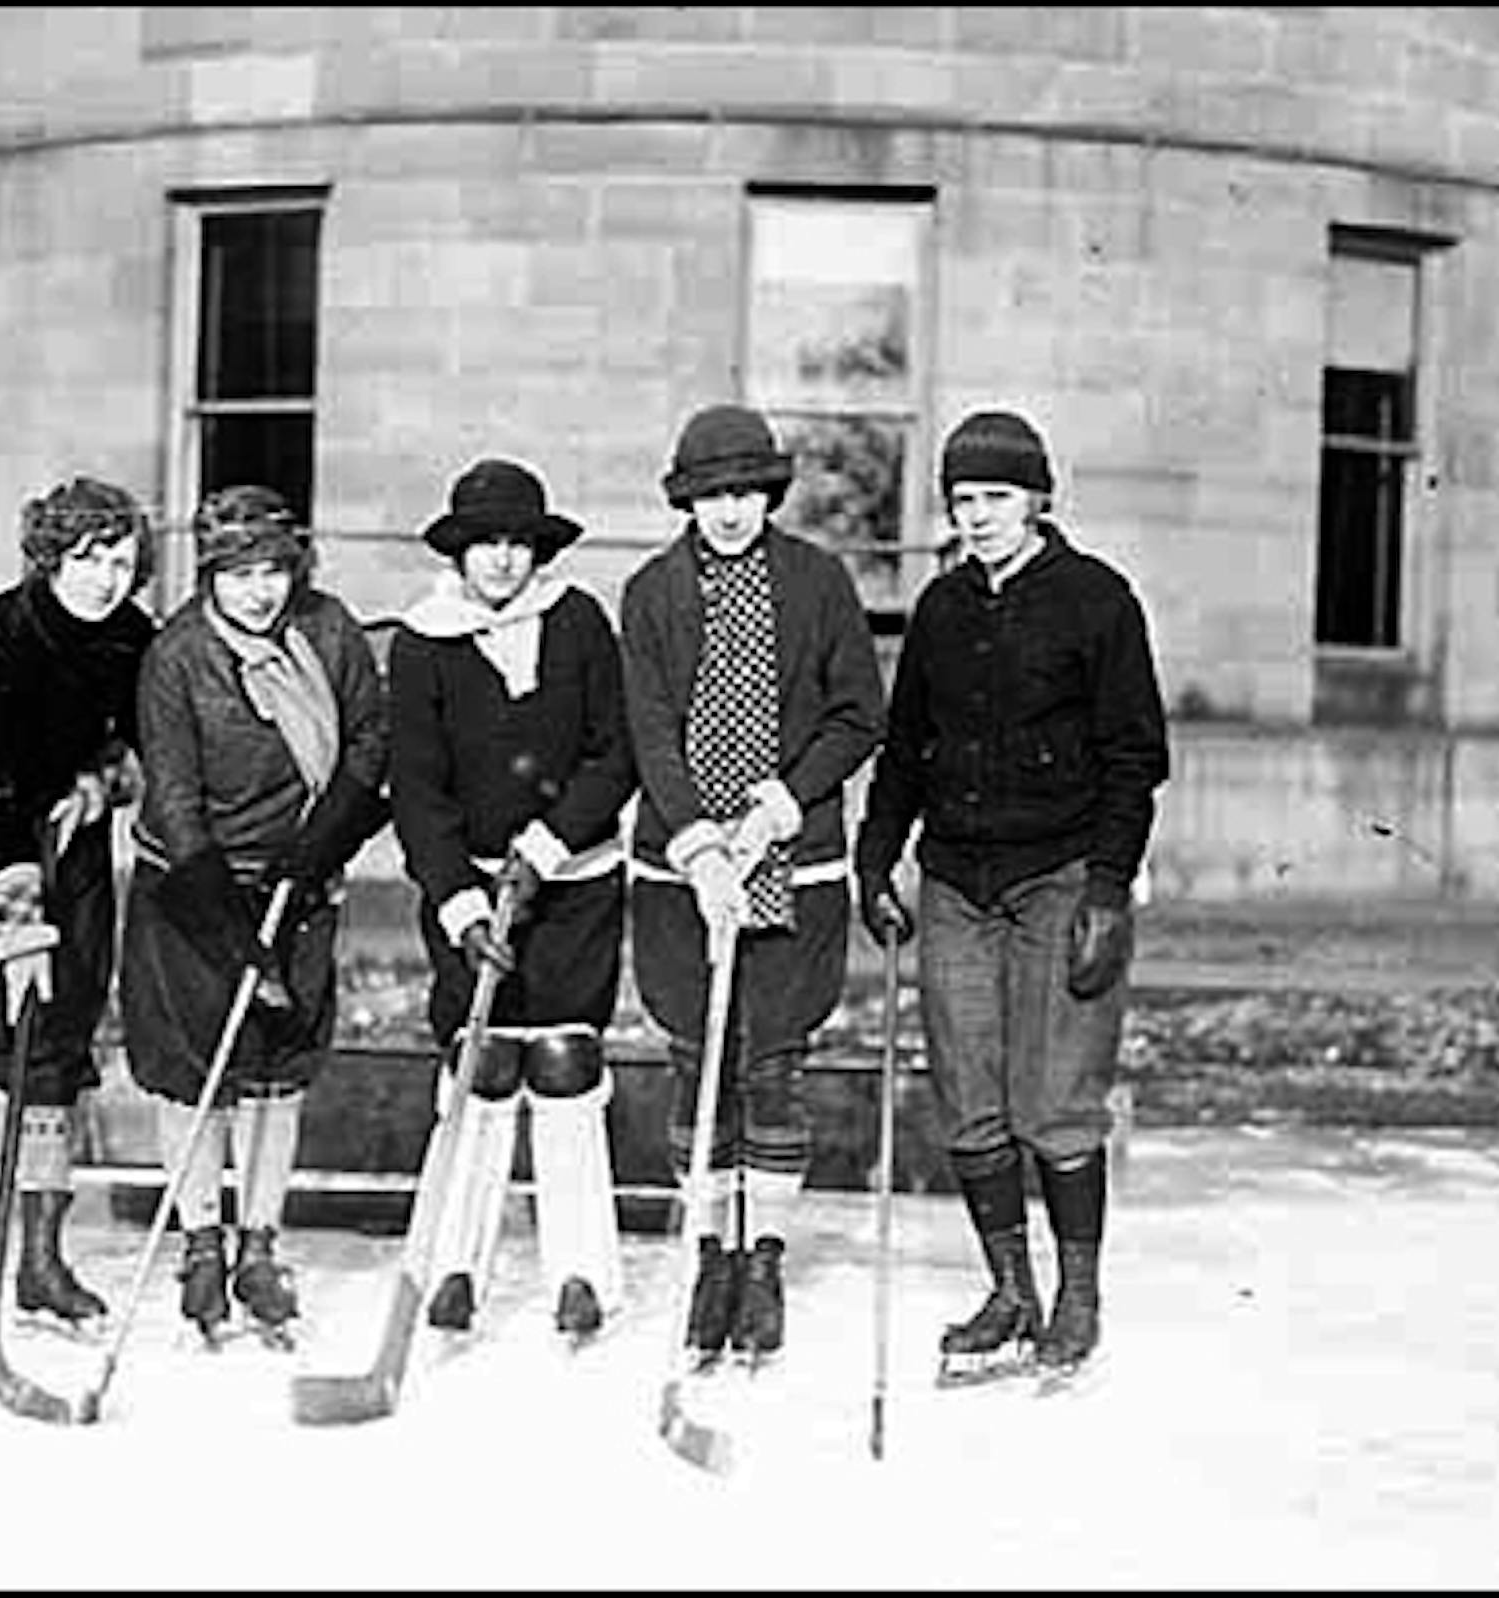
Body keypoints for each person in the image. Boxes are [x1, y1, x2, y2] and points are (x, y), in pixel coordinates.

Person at [853, 407, 1169, 1386]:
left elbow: (1135, 756)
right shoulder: (943, 609)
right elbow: (906, 750)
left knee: (1057, 1100)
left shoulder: (1097, 600)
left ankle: (1077, 1294)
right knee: (969, 1100)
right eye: (961, 499)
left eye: (995, 496)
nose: (978, 515)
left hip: (1060, 877)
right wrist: (876, 860)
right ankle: (1010, 1288)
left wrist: (1108, 889)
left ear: (1038, 498)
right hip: (955, 881)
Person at [620, 404, 888, 1362]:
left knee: (773, 1065)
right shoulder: (650, 593)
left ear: (767, 495)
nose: (727, 512)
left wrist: (782, 805)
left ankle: (762, 1257)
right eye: (708, 496)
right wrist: (697, 842)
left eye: (743, 493)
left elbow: (860, 715)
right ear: (684, 501)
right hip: (680, 872)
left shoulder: (815, 582)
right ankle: (710, 1257)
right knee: (699, 1063)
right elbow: (647, 727)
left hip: (796, 860)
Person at [118, 484, 389, 1345]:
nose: (260, 591)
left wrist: (315, 856)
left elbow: (369, 742)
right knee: (195, 1069)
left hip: (299, 879)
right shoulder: (177, 657)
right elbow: (176, 799)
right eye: (238, 574)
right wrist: (238, 943)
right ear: (210, 577)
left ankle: (259, 1246)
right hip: (193, 890)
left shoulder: (330, 629)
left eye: (273, 569)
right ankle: (201, 1242)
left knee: (277, 1069)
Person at [0, 474, 159, 1331]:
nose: (105, 578)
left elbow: (138, 747)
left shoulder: (133, 639)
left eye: (121, 560)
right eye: (86, 558)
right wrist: (17, 929)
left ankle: (41, 1261)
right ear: (49, 556)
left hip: (68, 856)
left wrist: (102, 782)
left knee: (54, 1041)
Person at [387, 458, 637, 1342]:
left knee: (566, 1062)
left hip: (574, 883)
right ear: (458, 552)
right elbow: (416, 788)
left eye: (517, 544)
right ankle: (456, 1263)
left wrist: (543, 849)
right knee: (482, 1063)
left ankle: (583, 1271)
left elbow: (617, 754)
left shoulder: (576, 624)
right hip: (472, 894)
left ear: (538, 551)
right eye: (485, 545)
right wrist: (458, 902)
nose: (500, 561)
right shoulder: (422, 642)